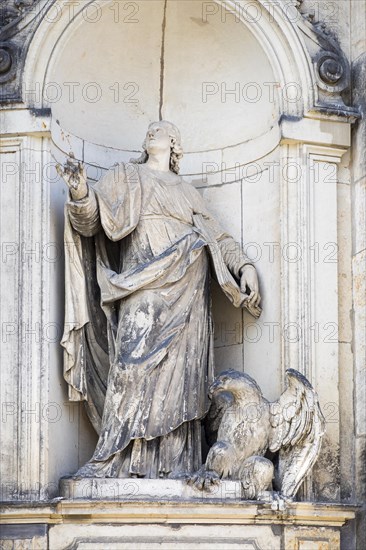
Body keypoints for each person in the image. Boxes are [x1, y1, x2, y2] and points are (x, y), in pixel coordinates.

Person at [59, 121, 261, 478]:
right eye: (150, 130)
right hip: (141, 283)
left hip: (188, 287)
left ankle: (175, 464)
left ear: (174, 144)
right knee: (130, 365)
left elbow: (219, 237)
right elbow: (91, 223)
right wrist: (79, 194)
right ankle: (114, 457)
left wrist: (244, 266)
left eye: (161, 130)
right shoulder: (125, 176)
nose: (153, 132)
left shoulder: (187, 191)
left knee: (181, 376)